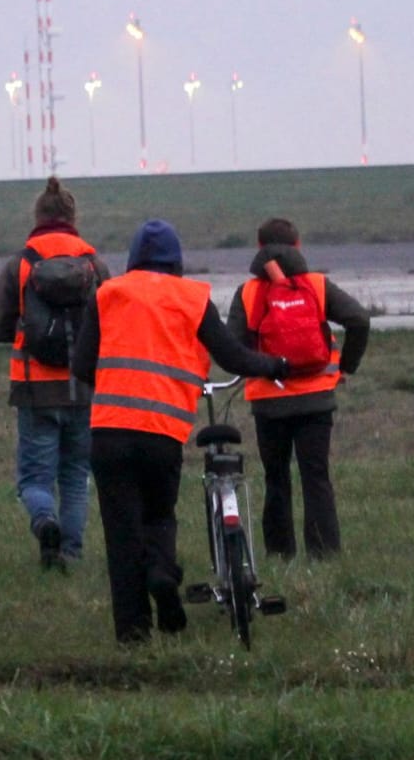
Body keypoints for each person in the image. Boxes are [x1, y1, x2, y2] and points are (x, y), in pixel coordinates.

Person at [71, 219, 290, 644]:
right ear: (177, 263)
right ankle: (161, 572)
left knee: (122, 535)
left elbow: (81, 366)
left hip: (110, 433)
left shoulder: (108, 294)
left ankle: (134, 635)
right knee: (158, 515)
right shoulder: (190, 298)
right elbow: (233, 356)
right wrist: (274, 365)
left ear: (133, 259)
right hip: (161, 433)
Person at [226, 217, 371, 561]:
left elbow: (233, 348)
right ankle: (324, 555)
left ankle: (280, 555)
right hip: (316, 401)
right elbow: (359, 320)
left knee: (276, 479)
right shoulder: (317, 285)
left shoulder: (248, 292)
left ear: (260, 249)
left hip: (268, 403)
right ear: (298, 246)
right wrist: (345, 366)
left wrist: (261, 366)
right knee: (316, 477)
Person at [0, 176, 110, 570]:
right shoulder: (94, 265)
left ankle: (44, 521)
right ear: (73, 217)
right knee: (75, 476)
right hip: (84, 389)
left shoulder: (21, 265)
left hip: (35, 392)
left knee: (34, 480)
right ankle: (70, 555)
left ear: (38, 216)